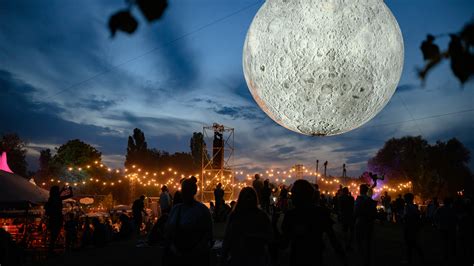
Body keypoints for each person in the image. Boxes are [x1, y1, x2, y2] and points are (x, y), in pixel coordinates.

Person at [281, 179, 347, 266]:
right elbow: (332, 237)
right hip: (316, 257)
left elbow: (284, 243)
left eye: (293, 194)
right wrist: (341, 254)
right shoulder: (321, 212)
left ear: (301, 196)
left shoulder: (291, 215)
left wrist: (273, 226)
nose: (291, 197)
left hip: (298, 258)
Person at [164, 176, 213, 266]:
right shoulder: (202, 210)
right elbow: (208, 234)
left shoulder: (177, 209)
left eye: (185, 190)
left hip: (188, 255)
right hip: (188, 254)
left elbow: (168, 231)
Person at [222, 187, 273, 266]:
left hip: (252, 256)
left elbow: (227, 238)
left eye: (249, 197)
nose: (248, 199)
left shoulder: (261, 216)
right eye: (246, 197)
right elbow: (228, 237)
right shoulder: (261, 216)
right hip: (245, 256)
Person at [44, 185, 73, 255]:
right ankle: (51, 251)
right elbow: (71, 195)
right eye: (57, 190)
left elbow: (56, 196)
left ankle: (50, 250)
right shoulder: (57, 198)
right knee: (55, 234)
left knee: (53, 235)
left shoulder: (51, 198)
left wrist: (62, 190)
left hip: (52, 218)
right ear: (56, 191)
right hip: (57, 217)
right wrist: (70, 189)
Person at [354, 184, 377, 266]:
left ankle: (361, 259)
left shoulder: (359, 199)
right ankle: (367, 259)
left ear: (360, 190)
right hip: (369, 223)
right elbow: (375, 213)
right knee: (368, 242)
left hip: (360, 221)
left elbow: (356, 211)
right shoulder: (371, 200)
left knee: (359, 241)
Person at [402, 193, 424, 265]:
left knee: (410, 243)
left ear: (408, 199)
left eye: (405, 198)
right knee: (413, 243)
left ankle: (410, 260)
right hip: (413, 227)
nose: (404, 199)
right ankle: (416, 258)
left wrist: (404, 218)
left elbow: (407, 216)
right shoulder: (414, 206)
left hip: (409, 227)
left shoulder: (408, 207)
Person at [434, 197, 457, 263]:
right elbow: (455, 218)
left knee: (445, 242)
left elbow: (435, 217)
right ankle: (453, 254)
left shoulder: (440, 209)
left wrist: (437, 225)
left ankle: (445, 255)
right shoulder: (452, 209)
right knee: (452, 241)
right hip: (451, 228)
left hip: (443, 227)